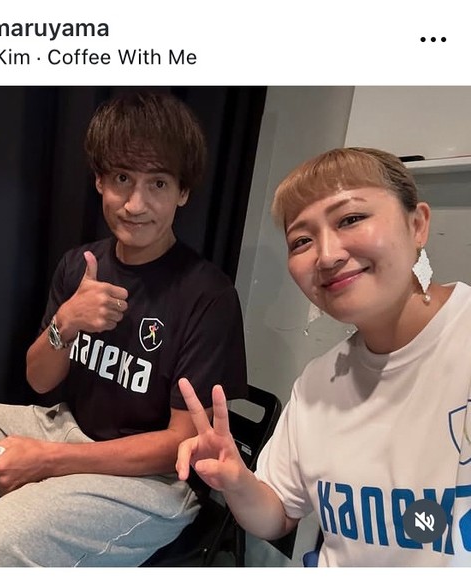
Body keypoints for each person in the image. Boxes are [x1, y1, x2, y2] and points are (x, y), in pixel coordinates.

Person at [0, 92, 247, 567]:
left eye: (158, 183)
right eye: (122, 179)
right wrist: (66, 323)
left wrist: (47, 460)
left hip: (156, 481)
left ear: (183, 192)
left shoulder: (208, 295)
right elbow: (39, 380)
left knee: (7, 530)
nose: (136, 204)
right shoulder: (80, 265)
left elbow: (178, 447)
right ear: (100, 181)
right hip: (68, 427)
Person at [177, 147, 471, 566]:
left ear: (417, 224)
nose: (328, 255)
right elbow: (277, 515)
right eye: (302, 241)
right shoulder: (317, 383)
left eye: (350, 219)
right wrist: (237, 481)